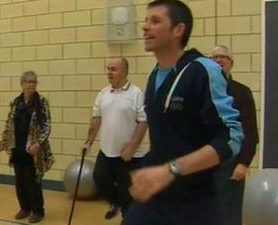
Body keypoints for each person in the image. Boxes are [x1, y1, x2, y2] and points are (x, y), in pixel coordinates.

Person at [123, 1, 244, 225]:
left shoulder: (203, 70)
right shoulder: (154, 74)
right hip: (155, 196)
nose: (145, 27)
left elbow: (231, 138)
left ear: (178, 30)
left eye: (155, 21)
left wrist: (171, 170)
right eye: (146, 20)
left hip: (195, 202)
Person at [81, 57, 148, 220]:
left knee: (127, 193)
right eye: (108, 68)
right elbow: (96, 119)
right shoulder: (103, 93)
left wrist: (131, 147)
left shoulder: (136, 93)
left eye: (113, 69)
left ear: (125, 71)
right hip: (106, 150)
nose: (109, 72)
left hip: (128, 155)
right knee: (100, 178)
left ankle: (127, 217)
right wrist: (88, 141)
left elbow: (143, 121)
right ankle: (115, 203)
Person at [211, 45, 259, 225]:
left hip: (231, 162)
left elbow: (250, 131)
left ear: (231, 63)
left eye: (224, 57)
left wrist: (244, 163)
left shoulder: (242, 92)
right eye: (215, 57)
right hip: (205, 161)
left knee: (228, 215)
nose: (219, 60)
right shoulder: (202, 90)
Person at [0, 71, 54, 224]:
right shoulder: (16, 102)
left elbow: (46, 126)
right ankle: (24, 207)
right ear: (21, 84)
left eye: (34, 82)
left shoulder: (41, 102)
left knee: (33, 181)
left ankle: (38, 210)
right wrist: (6, 141)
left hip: (33, 150)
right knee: (20, 180)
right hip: (18, 147)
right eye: (29, 82)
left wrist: (38, 143)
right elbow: (9, 122)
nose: (31, 85)